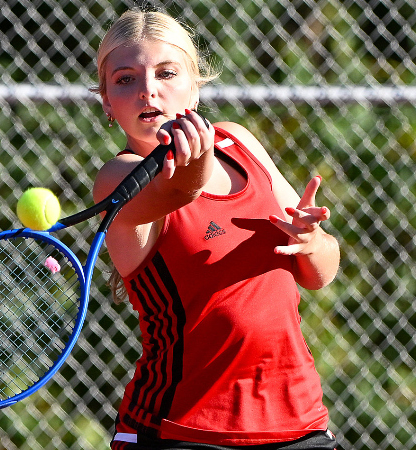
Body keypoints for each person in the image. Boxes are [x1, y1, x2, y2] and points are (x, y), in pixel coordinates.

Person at [93, 10, 341, 450]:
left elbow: (320, 274)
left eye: (166, 73)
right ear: (108, 103)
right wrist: (197, 152)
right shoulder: (117, 178)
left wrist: (311, 240)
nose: (148, 89)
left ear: (195, 85)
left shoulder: (239, 142)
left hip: (298, 421)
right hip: (179, 429)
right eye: (125, 79)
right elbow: (180, 189)